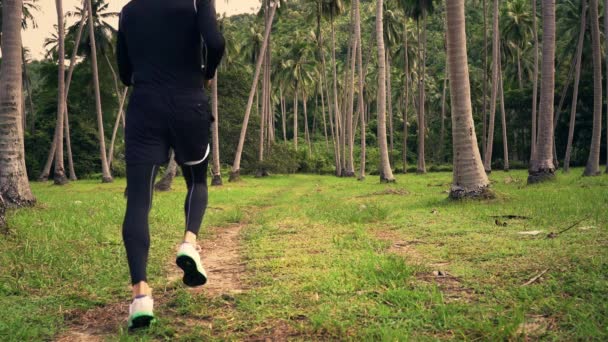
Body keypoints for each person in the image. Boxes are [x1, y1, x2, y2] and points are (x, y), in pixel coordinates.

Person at [116, 0, 225, 330]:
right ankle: (189, 242)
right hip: (188, 102)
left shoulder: (130, 10)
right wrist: (206, 74)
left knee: (138, 200)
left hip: (145, 108)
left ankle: (140, 297)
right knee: (197, 182)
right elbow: (216, 42)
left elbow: (125, 73)